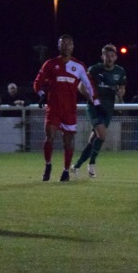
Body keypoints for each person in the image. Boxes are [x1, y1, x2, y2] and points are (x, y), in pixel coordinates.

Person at [34, 34, 103, 182]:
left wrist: (97, 104)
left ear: (73, 46)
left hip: (70, 110)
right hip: (53, 108)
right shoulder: (50, 64)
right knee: (50, 137)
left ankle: (65, 171)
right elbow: (37, 82)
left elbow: (89, 86)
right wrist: (41, 94)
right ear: (58, 46)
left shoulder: (79, 66)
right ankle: (48, 165)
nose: (66, 46)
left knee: (68, 142)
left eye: (69, 44)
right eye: (63, 44)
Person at [71, 44, 127, 178]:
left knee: (93, 140)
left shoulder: (120, 71)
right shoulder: (94, 70)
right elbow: (80, 86)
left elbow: (122, 89)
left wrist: (120, 92)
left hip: (108, 108)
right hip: (94, 108)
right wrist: (93, 99)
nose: (109, 58)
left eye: (112, 56)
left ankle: (76, 166)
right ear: (102, 57)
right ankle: (92, 164)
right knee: (102, 135)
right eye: (106, 56)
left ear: (116, 57)